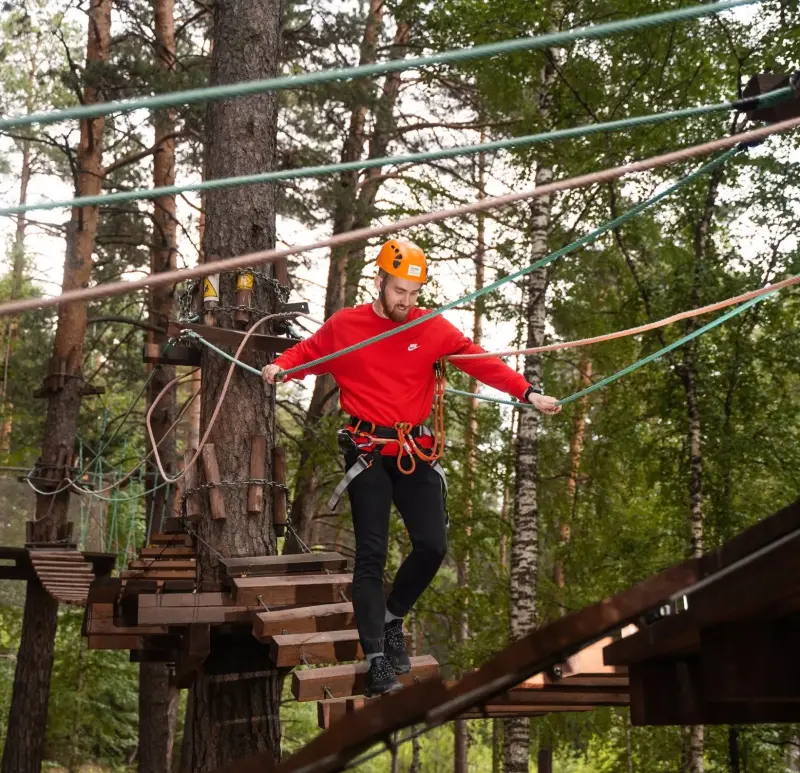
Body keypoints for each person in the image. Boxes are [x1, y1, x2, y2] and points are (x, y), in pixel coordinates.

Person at [263, 239, 561, 696]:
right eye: (400, 291)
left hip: (413, 451)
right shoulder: (347, 326)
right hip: (367, 452)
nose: (408, 301)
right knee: (371, 555)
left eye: (415, 292)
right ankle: (378, 660)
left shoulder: (431, 328)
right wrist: (280, 368)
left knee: (432, 545)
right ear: (378, 283)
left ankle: (391, 617)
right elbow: (306, 355)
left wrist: (528, 394)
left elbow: (481, 362)